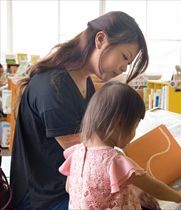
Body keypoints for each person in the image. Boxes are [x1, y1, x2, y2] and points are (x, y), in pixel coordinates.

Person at [10, 11, 148, 210]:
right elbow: (91, 157)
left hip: (70, 186)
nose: (124, 68)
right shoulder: (54, 86)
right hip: (43, 198)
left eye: (128, 63)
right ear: (100, 40)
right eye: (124, 57)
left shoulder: (85, 82)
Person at [59, 81, 181, 209]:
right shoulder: (115, 162)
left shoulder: (77, 152)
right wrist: (179, 196)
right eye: (135, 126)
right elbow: (155, 189)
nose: (134, 133)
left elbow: (69, 188)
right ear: (119, 123)